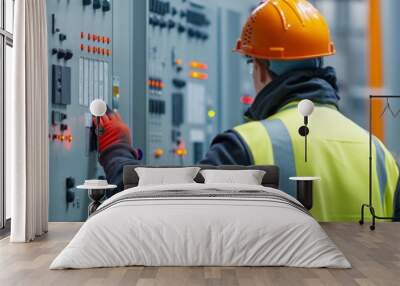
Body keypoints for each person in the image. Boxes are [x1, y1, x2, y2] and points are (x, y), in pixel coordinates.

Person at [97, 0, 400, 221]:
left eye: (251, 64)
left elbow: (164, 213)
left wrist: (116, 151)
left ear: (261, 68)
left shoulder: (245, 146)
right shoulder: (380, 154)